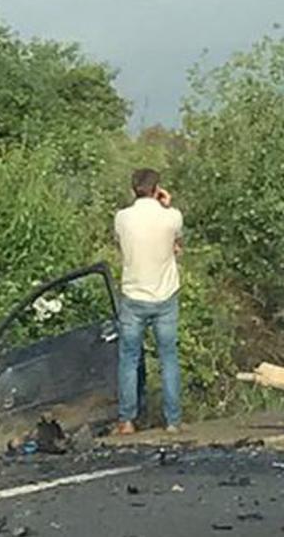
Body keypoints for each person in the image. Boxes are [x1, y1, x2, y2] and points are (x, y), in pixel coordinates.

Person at [113, 168, 183, 436]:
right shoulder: (172, 217)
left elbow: (121, 245)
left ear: (133, 189)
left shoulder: (122, 218)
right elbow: (178, 244)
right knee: (168, 358)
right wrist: (167, 204)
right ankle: (173, 420)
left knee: (128, 359)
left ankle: (127, 420)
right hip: (165, 295)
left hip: (133, 296)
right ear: (157, 189)